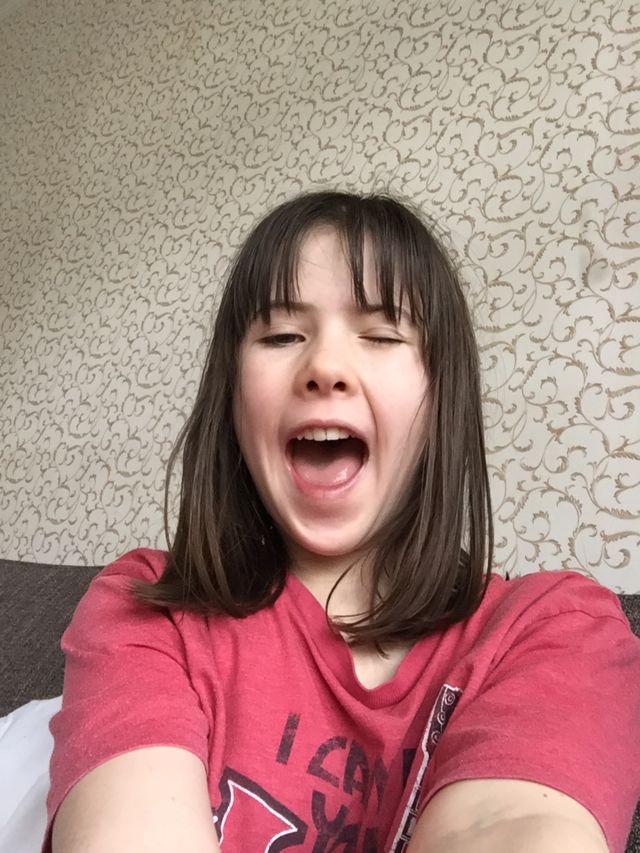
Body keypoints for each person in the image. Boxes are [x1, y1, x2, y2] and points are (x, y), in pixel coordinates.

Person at [43, 191, 639, 853]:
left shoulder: (555, 629)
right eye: (281, 336)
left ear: (440, 398)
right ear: (233, 397)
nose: (324, 368)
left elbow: (511, 828)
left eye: (381, 335)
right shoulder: (150, 611)